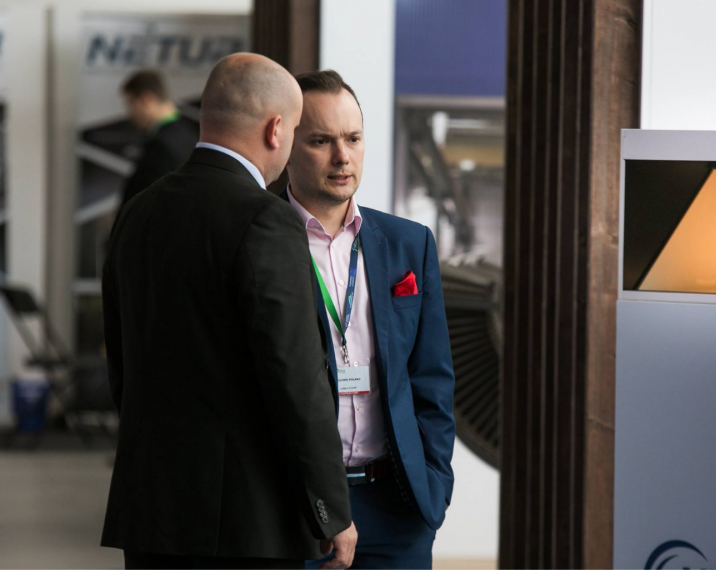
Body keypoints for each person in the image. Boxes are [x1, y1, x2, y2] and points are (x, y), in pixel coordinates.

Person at [101, 54, 357, 570]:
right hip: (243, 526)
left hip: (150, 512)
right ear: (276, 129)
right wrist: (330, 509)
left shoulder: (138, 212)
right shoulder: (265, 220)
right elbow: (295, 378)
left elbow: (122, 362)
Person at [282, 69, 456, 570]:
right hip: (296, 508)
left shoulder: (408, 242)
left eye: (353, 139)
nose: (343, 156)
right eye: (321, 141)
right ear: (286, 144)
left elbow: (432, 376)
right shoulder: (260, 240)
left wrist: (434, 482)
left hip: (397, 504)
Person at [119, 69, 198, 207]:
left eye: (131, 103)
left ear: (146, 100)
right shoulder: (188, 133)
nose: (130, 114)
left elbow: (142, 202)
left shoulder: (159, 147)